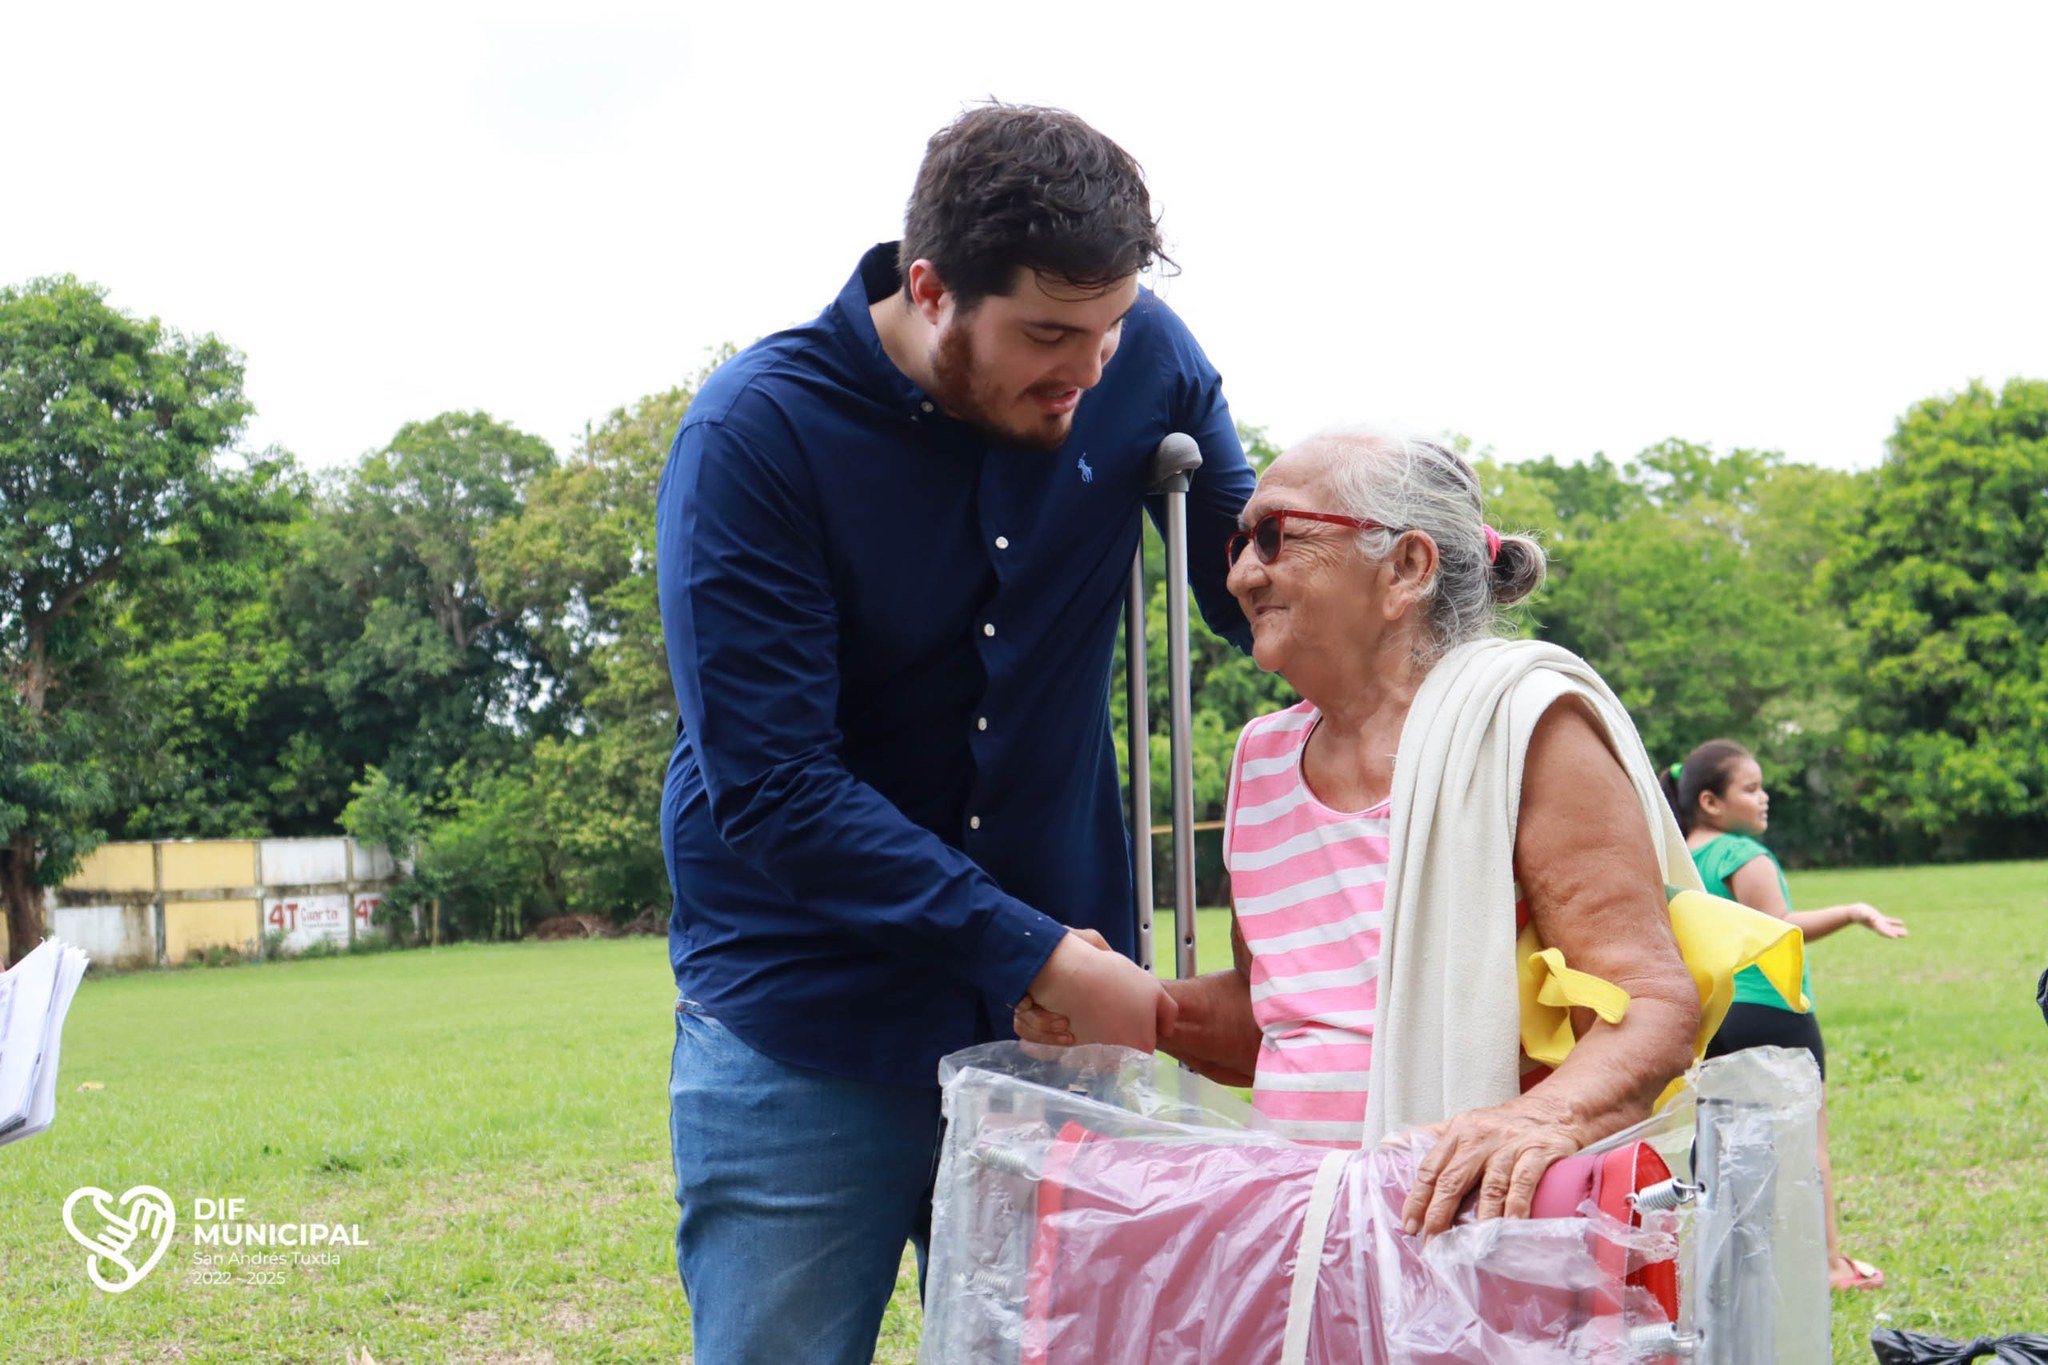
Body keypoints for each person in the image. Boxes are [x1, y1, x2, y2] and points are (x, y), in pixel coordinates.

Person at [654, 103, 1257, 1364]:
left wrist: (1393, 551)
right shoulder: (752, 439)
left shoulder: (1136, 353)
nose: (1086, 373)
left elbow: (1249, 587)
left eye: (1105, 331)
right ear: (929, 289)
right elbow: (771, 789)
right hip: (806, 1013)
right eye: (1046, 335)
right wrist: (1041, 953)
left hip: (1057, 1023)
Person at [1019, 425, 1704, 1237]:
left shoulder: (1524, 730)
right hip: (1309, 1240)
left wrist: (1540, 1119)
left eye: (1274, 535)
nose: (1239, 573)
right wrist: (1140, 1007)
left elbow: (1652, 1000)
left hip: (1477, 1231)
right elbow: (1277, 1020)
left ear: (1406, 567)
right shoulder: (1261, 760)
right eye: (1240, 542)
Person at [1664, 739, 1908, 1291]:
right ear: (1710, 801)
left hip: (1714, 1019)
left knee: (1719, 1146)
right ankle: (1828, 1266)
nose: (1764, 797)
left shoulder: (1681, 857)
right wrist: (1853, 912)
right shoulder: (1741, 855)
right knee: (1805, 1143)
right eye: (1751, 788)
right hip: (1775, 1012)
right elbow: (1780, 925)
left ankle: (1722, 1266)